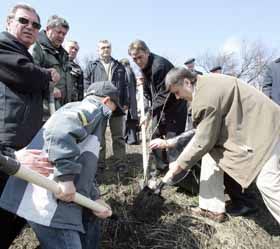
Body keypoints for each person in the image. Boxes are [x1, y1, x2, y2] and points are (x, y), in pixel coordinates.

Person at [161, 67, 280, 224]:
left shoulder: (205, 98)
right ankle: (212, 208)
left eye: (177, 92)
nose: (177, 98)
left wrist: (178, 166)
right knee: (213, 156)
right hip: (254, 127)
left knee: (267, 182)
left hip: (267, 129)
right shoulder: (205, 83)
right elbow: (205, 136)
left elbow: (203, 140)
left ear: (186, 82)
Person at [11, 81, 119, 249]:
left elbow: (85, 172)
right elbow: (60, 130)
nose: (111, 115)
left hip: (57, 202)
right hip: (47, 201)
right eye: (113, 109)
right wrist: (66, 178)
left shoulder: (91, 127)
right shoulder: (92, 109)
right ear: (106, 101)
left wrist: (96, 197)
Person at [0, 3, 59, 248]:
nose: (30, 27)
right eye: (23, 21)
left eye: (35, 25)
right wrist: (48, 75)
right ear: (8, 22)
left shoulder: (23, 54)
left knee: (15, 211)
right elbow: (26, 75)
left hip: (22, 148)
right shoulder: (4, 47)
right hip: (6, 147)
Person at [128, 39, 187, 172]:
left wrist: (149, 113)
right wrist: (147, 97)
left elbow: (162, 95)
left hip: (174, 105)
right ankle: (162, 167)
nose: (138, 61)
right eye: (134, 59)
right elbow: (151, 91)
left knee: (173, 138)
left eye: (140, 57)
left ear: (147, 52)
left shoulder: (159, 66)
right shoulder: (144, 68)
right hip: (159, 106)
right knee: (155, 134)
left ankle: (176, 171)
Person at [84, 40, 128, 172]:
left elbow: (124, 85)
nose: (106, 50)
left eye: (108, 47)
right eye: (103, 48)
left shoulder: (119, 66)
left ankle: (120, 162)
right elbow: (86, 83)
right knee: (99, 135)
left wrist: (125, 102)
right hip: (98, 104)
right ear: (98, 50)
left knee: (118, 136)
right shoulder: (92, 66)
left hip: (116, 105)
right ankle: (99, 163)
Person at [30, 14, 72, 117]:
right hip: (43, 111)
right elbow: (30, 74)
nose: (61, 36)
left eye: (64, 34)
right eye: (59, 32)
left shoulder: (64, 54)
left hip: (61, 110)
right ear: (48, 29)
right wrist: (50, 88)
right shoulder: (36, 47)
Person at [120, 58, 139, 145]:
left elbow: (126, 87)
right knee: (131, 121)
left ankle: (124, 138)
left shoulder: (124, 72)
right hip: (133, 100)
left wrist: (125, 102)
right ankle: (132, 139)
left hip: (127, 100)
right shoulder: (131, 72)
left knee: (124, 120)